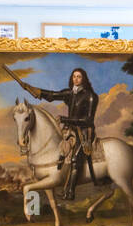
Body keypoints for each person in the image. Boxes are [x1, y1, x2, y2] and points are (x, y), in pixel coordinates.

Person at [19, 67, 99, 200]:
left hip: (85, 131)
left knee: (75, 158)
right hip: (70, 129)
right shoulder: (70, 93)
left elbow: (88, 120)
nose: (76, 79)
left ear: (84, 78)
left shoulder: (91, 96)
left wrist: (65, 119)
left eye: (79, 77)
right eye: (74, 76)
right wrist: (31, 89)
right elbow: (52, 95)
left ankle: (70, 191)